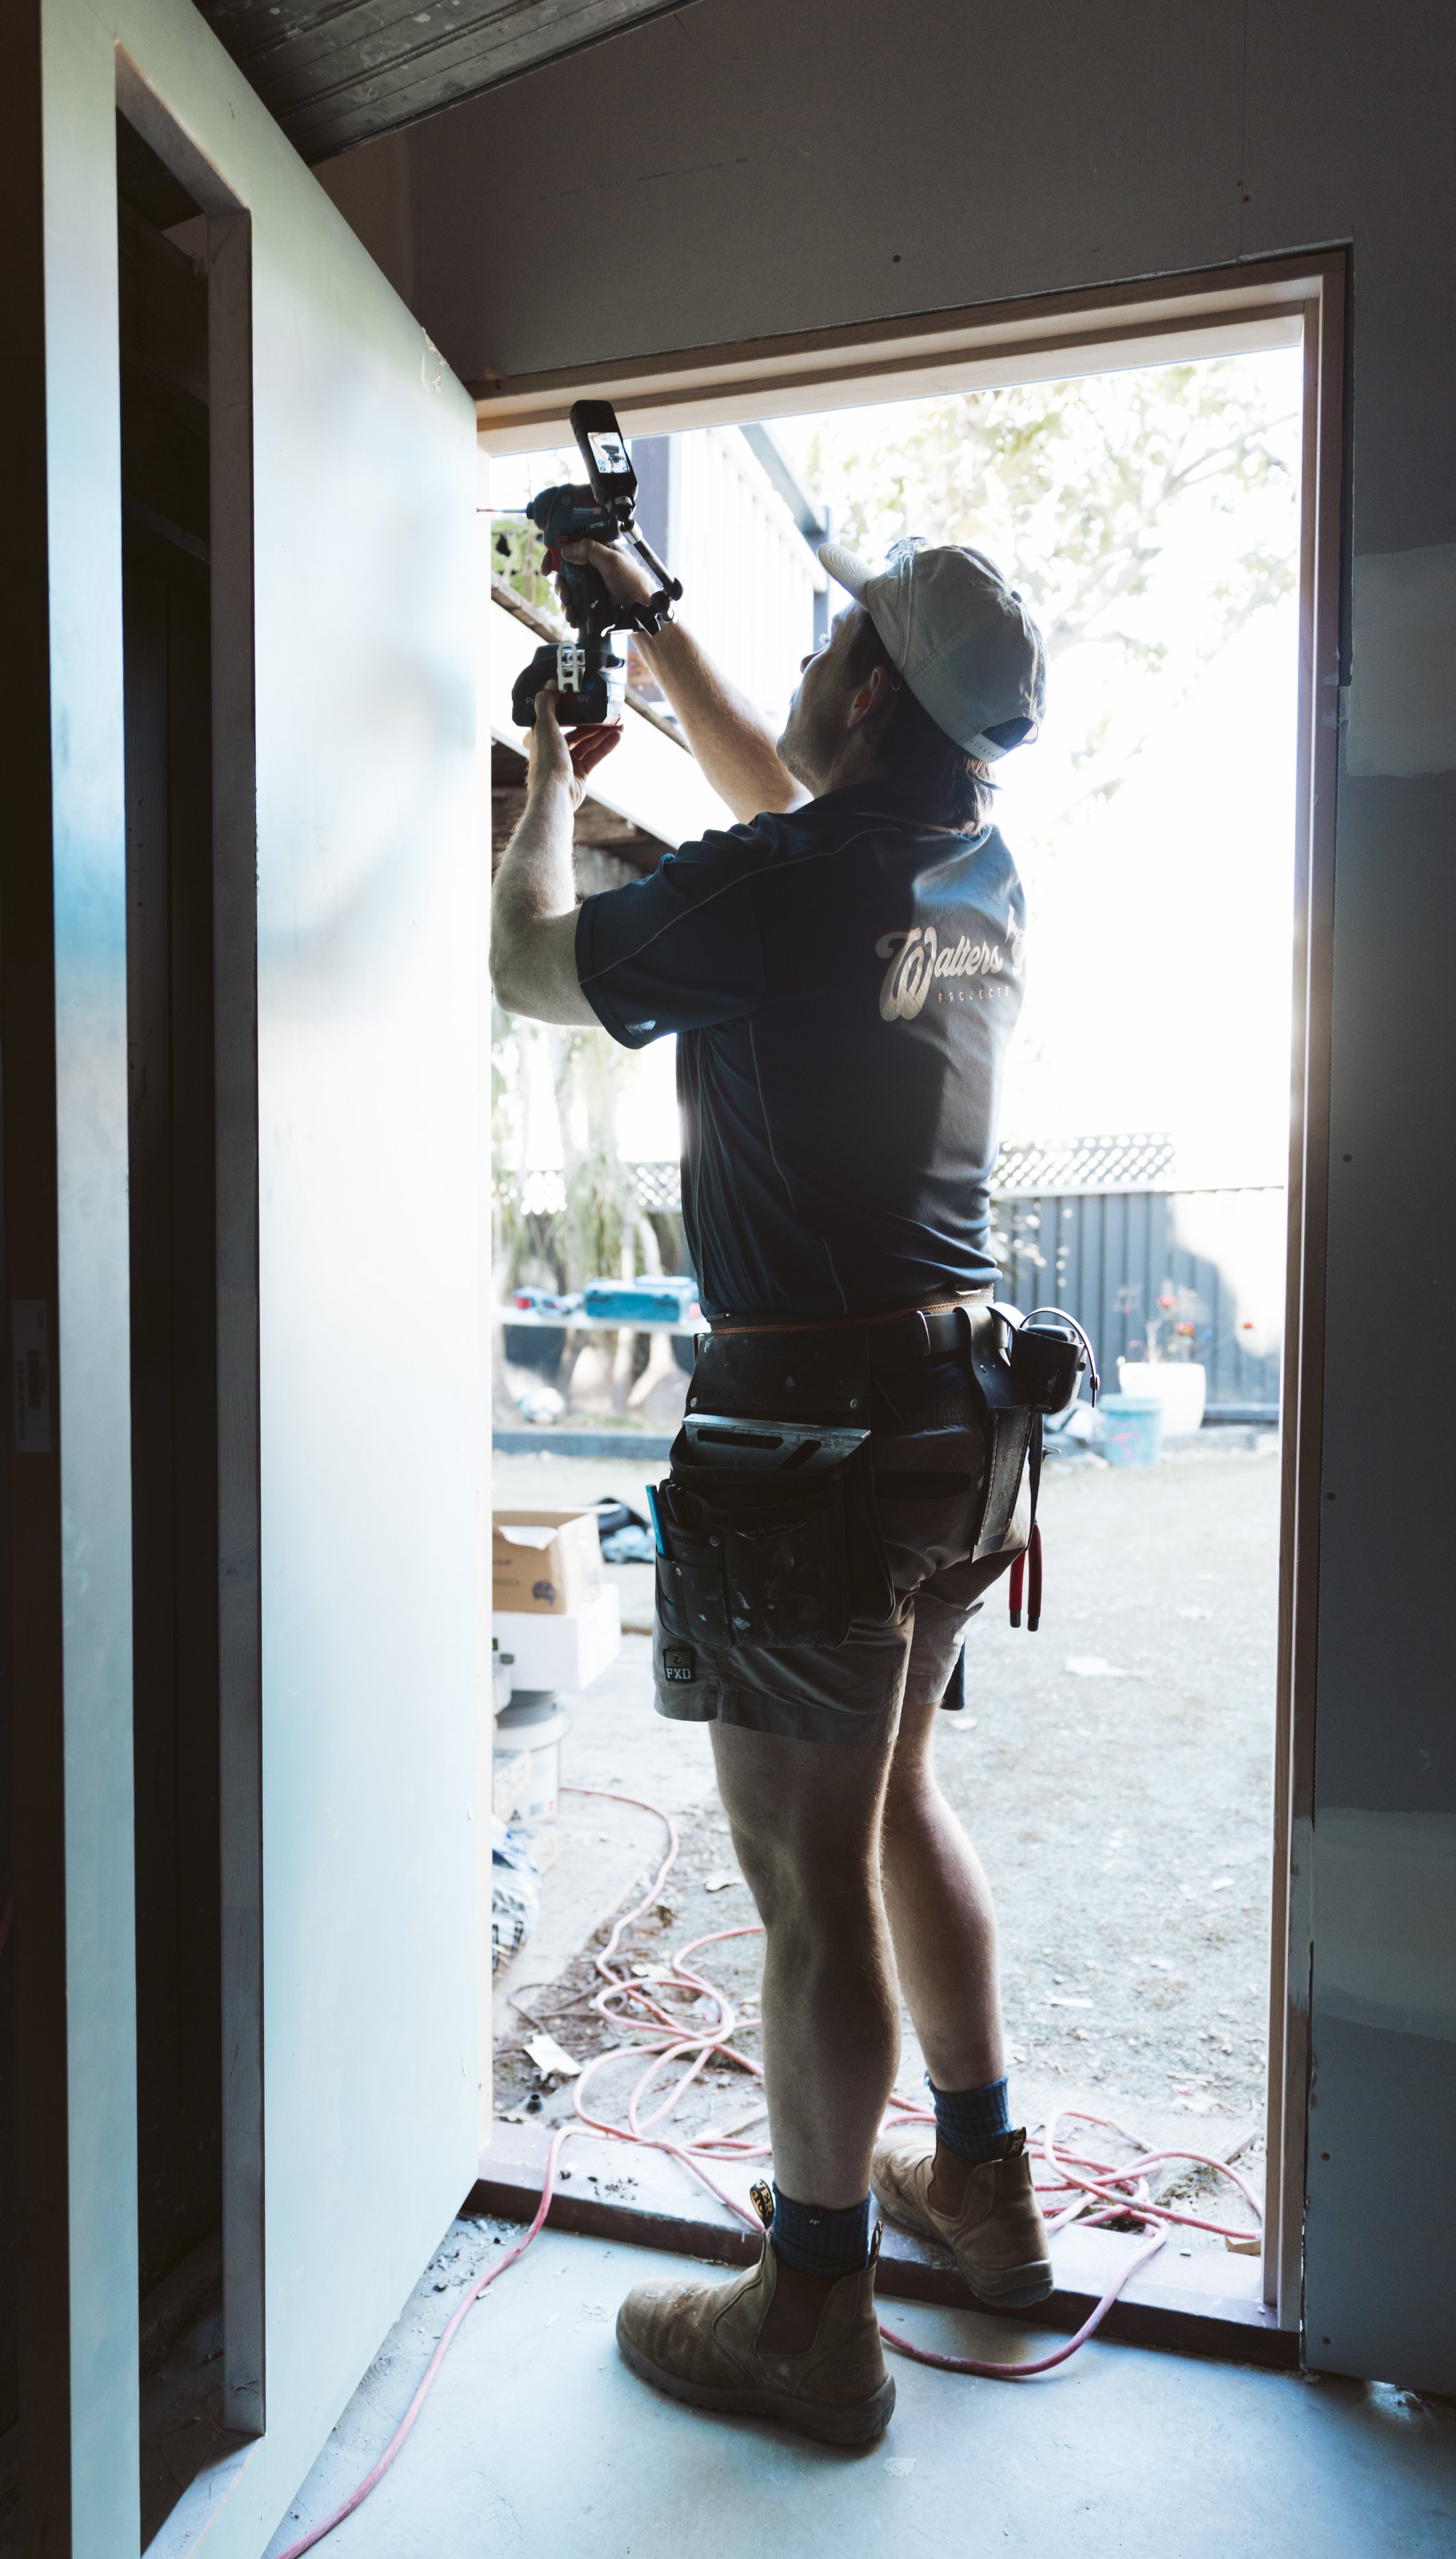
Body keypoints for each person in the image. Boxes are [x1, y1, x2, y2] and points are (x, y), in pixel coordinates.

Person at [489, 524, 1050, 2448]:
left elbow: (526, 963)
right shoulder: (970, 865)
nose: (806, 674)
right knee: (893, 1805)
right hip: (961, 1419)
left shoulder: (789, 875)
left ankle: (811, 2311)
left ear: (870, 689)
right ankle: (976, 2187)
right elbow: (784, 793)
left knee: (806, 1876)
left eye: (826, 650)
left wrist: (556, 792)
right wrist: (648, 622)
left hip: (806, 1438)